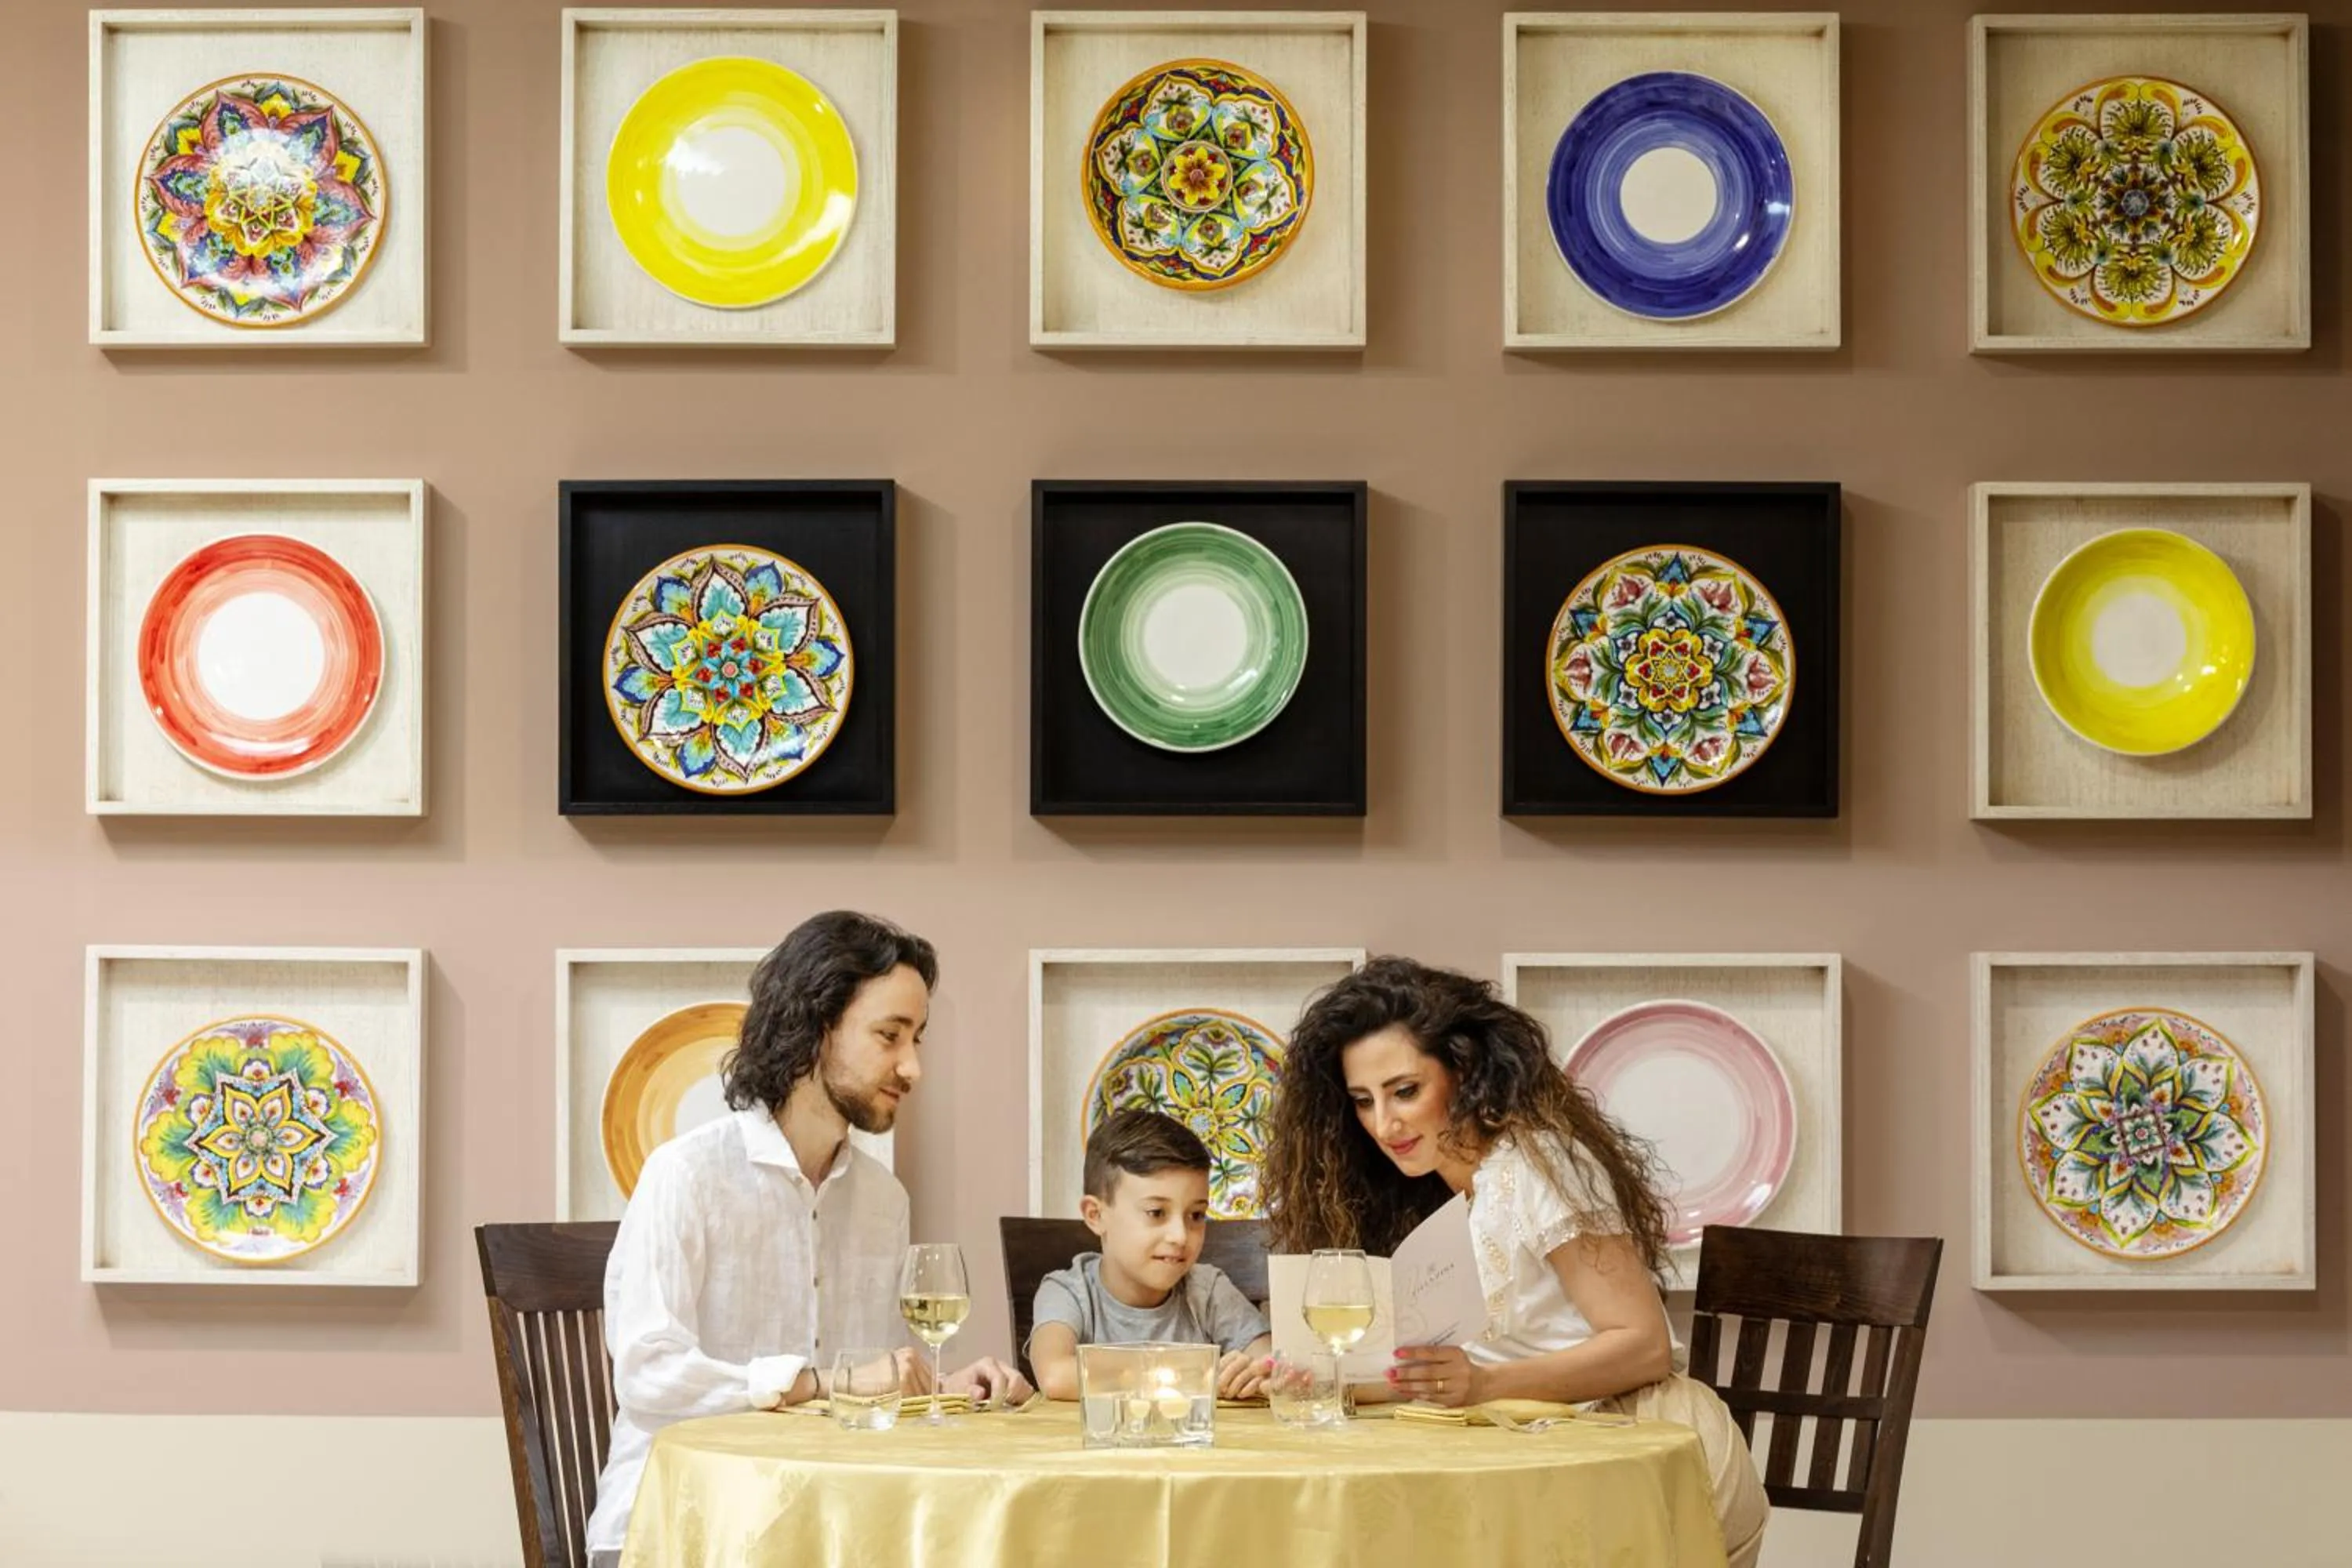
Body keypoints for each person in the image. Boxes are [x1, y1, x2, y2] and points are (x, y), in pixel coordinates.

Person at [1259, 956, 1769, 1568]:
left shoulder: (1542, 1164)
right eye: (1363, 1101)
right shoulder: (1442, 1195)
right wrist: (1309, 1374)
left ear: (1465, 1071)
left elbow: (1645, 1347)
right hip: (1540, 1452)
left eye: (1405, 1091)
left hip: (1648, 1454)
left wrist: (1484, 1386)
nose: (1384, 1124)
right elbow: (1447, 1375)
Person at [585, 911, 1033, 1566]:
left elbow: (873, 1382)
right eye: (889, 1036)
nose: (913, 1067)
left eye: (917, 1039)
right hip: (678, 1529)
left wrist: (946, 1387)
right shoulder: (687, 1175)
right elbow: (649, 1375)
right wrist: (817, 1383)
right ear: (815, 1027)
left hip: (824, 1527)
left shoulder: (884, 1200)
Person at [1029, 1109, 1273, 1402]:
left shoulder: (1208, 1290)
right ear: (1096, 1215)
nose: (1180, 1236)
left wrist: (1260, 1375)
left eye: (1196, 1215)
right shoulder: (1068, 1291)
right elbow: (1056, 1376)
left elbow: (1270, 1363)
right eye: (1156, 1212)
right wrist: (1198, 1375)